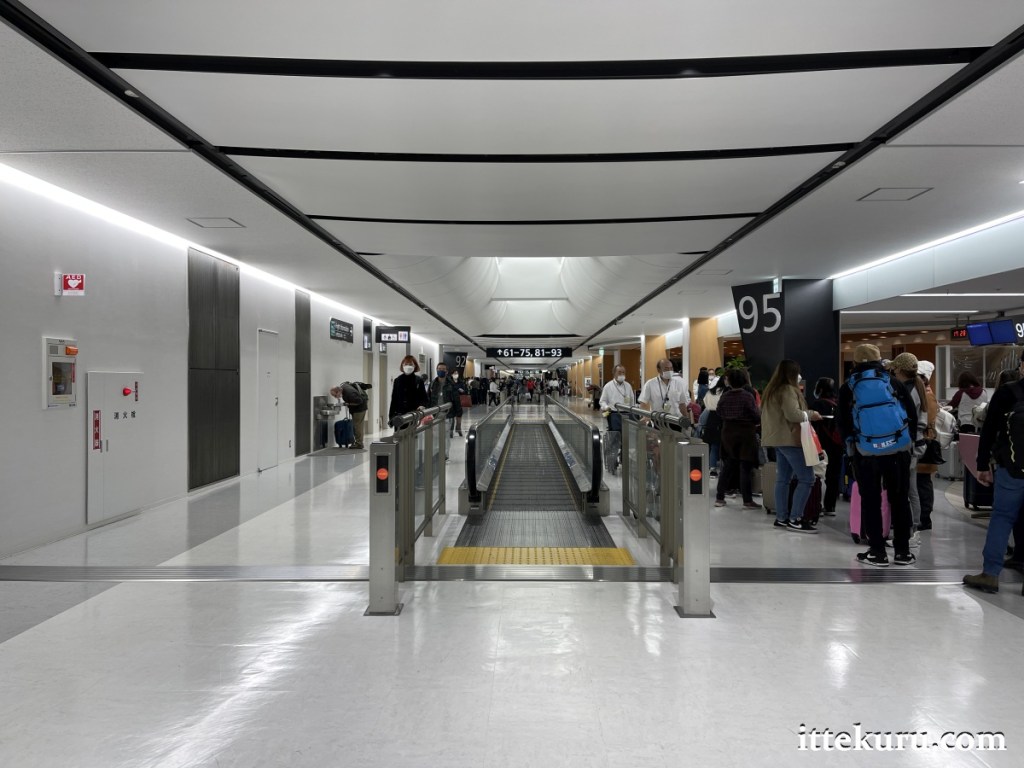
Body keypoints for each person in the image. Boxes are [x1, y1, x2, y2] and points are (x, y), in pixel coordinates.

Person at [838, 344, 918, 566]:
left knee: (871, 500)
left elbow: (843, 422)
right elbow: (911, 413)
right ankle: (902, 551)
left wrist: (851, 447)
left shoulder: (848, 387)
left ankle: (877, 551)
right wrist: (908, 441)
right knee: (899, 499)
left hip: (866, 451)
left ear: (855, 363)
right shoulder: (892, 382)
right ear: (880, 360)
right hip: (897, 450)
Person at [963, 350, 1024, 593]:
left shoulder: (1008, 392)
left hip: (1011, 468)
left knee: (1002, 518)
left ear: (1022, 366)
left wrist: (982, 465)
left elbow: (988, 430)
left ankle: (990, 574)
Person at [761, 359, 822, 533]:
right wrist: (811, 414)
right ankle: (795, 518)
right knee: (807, 478)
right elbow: (793, 414)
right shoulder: (787, 390)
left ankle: (782, 517)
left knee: (783, 479)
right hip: (790, 439)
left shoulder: (771, 390)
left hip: (777, 440)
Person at [888, 353, 928, 548]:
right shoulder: (916, 387)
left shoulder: (908, 391)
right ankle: (912, 530)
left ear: (900, 369)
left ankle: (912, 531)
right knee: (910, 489)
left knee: (909, 490)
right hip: (916, 444)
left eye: (895, 368)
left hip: (910, 445)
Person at [714, 368, 761, 509]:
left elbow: (718, 411)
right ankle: (747, 500)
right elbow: (755, 415)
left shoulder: (725, 396)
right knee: (745, 467)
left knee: (727, 466)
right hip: (746, 433)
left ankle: (719, 497)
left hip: (728, 432)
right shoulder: (747, 396)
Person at [809, 377, 843, 517]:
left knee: (817, 475)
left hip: (820, 445)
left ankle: (816, 504)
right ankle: (830, 506)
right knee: (833, 476)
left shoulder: (816, 405)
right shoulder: (838, 404)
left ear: (820, 389)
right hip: (837, 445)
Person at [914, 360, 940, 531]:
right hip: (924, 440)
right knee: (921, 481)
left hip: (925, 442)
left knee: (922, 481)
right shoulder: (923, 392)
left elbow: (926, 419)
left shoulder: (927, 395)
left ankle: (924, 517)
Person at [599, 365, 636, 474]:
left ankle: (624, 458)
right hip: (614, 414)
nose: (622, 374)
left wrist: (633, 411)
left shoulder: (628, 386)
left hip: (627, 414)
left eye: (623, 372)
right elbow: (602, 401)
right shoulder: (608, 386)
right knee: (614, 437)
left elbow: (632, 401)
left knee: (627, 438)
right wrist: (606, 407)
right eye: (619, 372)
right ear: (614, 373)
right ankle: (612, 461)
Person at [330, 379, 372, 450]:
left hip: (360, 409)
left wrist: (348, 404)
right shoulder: (343, 387)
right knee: (356, 426)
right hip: (357, 409)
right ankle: (358, 442)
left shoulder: (349, 393)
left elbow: (360, 401)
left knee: (357, 426)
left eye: (335, 395)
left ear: (338, 391)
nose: (335, 397)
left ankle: (359, 444)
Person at [388, 355, 428, 427]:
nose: (408, 366)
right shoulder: (398, 380)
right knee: (399, 433)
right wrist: (391, 417)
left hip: (413, 414)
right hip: (399, 414)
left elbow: (424, 397)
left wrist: (422, 405)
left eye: (410, 364)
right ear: (402, 365)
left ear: (415, 366)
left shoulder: (418, 380)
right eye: (406, 364)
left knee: (412, 433)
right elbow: (394, 399)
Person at [700, 375, 728, 477]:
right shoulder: (726, 392)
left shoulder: (710, 391)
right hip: (722, 418)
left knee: (713, 445)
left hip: (711, 418)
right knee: (723, 445)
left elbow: (705, 403)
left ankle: (712, 468)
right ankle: (724, 468)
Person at [428, 362, 460, 452]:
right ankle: (436, 454)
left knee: (445, 436)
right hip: (435, 414)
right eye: (439, 369)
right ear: (436, 370)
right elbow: (428, 399)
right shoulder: (432, 384)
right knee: (435, 436)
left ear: (447, 372)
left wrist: (459, 417)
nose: (441, 371)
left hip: (447, 414)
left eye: (443, 369)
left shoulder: (451, 384)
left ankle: (445, 454)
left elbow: (457, 401)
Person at [451, 370, 466, 436]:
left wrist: (462, 390)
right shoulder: (449, 381)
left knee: (459, 414)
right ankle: (451, 430)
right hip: (451, 400)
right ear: (451, 374)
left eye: (457, 373)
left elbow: (464, 390)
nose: (456, 374)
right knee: (451, 415)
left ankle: (458, 427)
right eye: (454, 373)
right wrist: (457, 388)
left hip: (458, 400)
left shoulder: (460, 382)